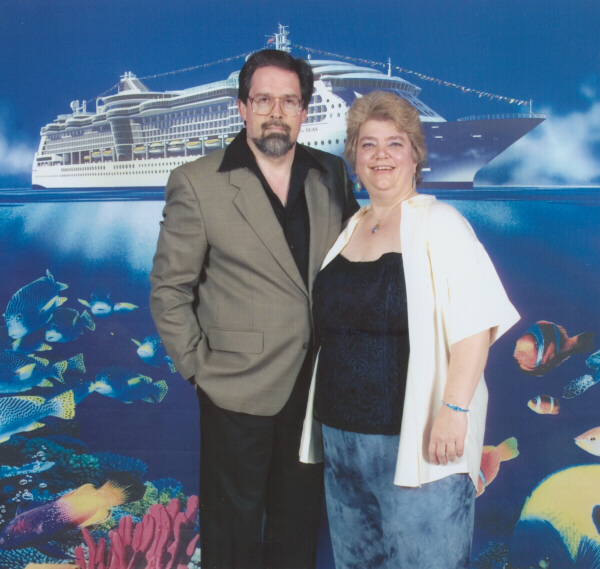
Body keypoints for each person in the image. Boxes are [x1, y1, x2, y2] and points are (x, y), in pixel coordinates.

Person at [149, 49, 358, 569]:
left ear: (304, 111)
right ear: (242, 107)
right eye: (263, 100)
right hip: (234, 387)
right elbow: (169, 291)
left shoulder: (331, 173)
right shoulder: (198, 182)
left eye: (289, 101)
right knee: (232, 538)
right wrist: (200, 369)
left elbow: (353, 264)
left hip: (314, 391)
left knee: (298, 532)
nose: (276, 112)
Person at [300, 91, 520, 568]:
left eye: (394, 143)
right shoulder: (350, 228)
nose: (381, 155)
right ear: (354, 157)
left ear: (415, 155)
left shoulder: (441, 223)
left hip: (418, 443)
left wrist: (454, 410)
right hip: (342, 444)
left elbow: (477, 323)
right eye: (368, 144)